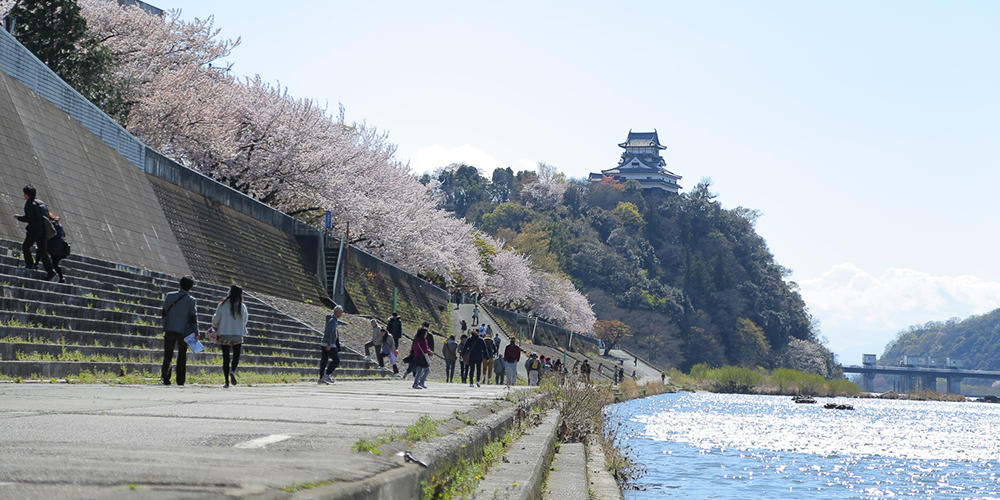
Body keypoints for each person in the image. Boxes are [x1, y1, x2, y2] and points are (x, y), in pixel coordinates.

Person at [160, 276, 198, 386]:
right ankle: (180, 380)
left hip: (170, 329)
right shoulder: (191, 300)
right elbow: (193, 318)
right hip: (184, 331)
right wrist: (196, 332)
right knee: (182, 356)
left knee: (168, 354)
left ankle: (165, 377)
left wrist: (166, 324)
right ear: (191, 287)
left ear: (180, 284)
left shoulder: (170, 296)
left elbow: (164, 312)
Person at [13, 185, 54, 280]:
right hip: (43, 231)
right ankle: (50, 271)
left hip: (34, 231)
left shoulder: (29, 204)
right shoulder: (42, 203)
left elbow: (28, 218)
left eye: (24, 194)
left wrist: (18, 217)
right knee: (43, 252)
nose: (24, 195)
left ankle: (30, 264)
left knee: (25, 247)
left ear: (27, 194)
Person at [212, 285, 248, 388]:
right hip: (237, 335)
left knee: (226, 358)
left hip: (225, 334)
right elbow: (245, 321)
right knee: (236, 356)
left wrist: (214, 326)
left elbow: (216, 318)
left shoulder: (223, 304)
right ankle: (233, 371)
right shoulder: (242, 306)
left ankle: (226, 382)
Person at [319, 306, 346, 384]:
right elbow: (330, 332)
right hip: (330, 344)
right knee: (336, 360)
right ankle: (327, 375)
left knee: (324, 361)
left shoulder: (332, 319)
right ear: (337, 312)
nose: (342, 314)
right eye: (341, 312)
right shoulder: (333, 321)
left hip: (325, 343)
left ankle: (321, 378)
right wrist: (329, 344)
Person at [43, 214, 70, 283]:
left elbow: (49, 234)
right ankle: (61, 278)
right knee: (55, 264)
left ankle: (36, 265)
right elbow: (63, 235)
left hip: (53, 247)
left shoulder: (51, 224)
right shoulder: (60, 225)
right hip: (61, 248)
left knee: (41, 253)